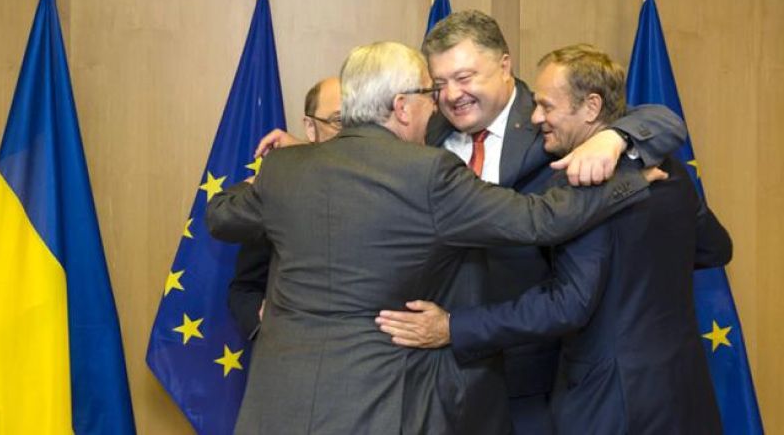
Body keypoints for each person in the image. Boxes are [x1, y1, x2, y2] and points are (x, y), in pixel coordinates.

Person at [205, 41, 659, 435]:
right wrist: (625, 175)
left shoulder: (284, 169)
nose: (437, 105)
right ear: (402, 106)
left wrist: (284, 173)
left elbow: (221, 216)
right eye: (429, 93)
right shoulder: (426, 173)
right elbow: (539, 220)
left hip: (277, 404)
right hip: (374, 405)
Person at [377, 44, 729, 434]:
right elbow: (715, 247)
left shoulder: (584, 184)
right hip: (681, 388)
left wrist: (453, 327)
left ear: (591, 108)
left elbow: (568, 304)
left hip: (611, 401)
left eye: (546, 106)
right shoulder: (669, 168)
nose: (535, 117)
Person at [229, 77, 342, 340]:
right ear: (311, 128)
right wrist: (262, 318)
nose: (351, 134)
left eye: (359, 122)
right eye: (339, 121)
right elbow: (244, 289)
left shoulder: (391, 188)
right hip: (292, 349)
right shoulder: (281, 191)